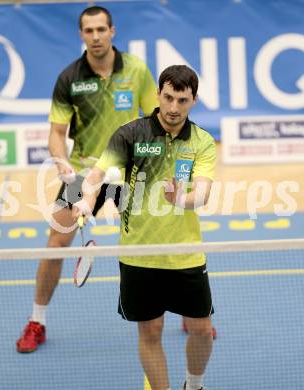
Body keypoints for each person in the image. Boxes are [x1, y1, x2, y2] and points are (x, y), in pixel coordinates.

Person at [16, 5, 158, 353]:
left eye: (100, 29)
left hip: (127, 169)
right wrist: (61, 161)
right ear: (81, 35)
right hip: (83, 170)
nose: (95, 36)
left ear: (112, 31)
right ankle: (37, 320)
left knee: (162, 242)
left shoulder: (136, 69)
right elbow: (56, 131)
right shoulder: (70, 78)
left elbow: (156, 118)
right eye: (88, 31)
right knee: (56, 243)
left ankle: (188, 311)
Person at [72, 65, 216, 390]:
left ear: (194, 100)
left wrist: (182, 198)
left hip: (185, 255)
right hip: (139, 255)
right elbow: (96, 175)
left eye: (182, 100)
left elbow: (203, 194)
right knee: (150, 332)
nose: (174, 107)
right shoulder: (131, 134)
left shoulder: (203, 142)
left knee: (203, 330)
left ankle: (193, 385)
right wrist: (84, 199)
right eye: (168, 98)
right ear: (158, 95)